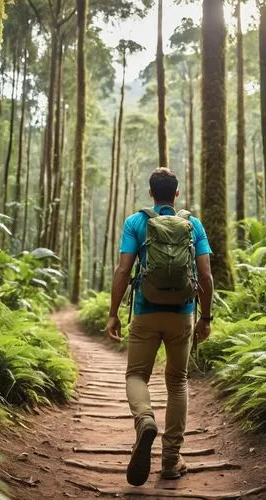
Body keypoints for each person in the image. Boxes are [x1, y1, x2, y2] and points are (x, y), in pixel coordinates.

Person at [107, 167, 214, 486]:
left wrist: (113, 312)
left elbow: (124, 270)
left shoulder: (136, 222)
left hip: (145, 312)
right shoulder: (193, 224)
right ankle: (170, 461)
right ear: (176, 194)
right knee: (178, 382)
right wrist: (206, 317)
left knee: (137, 374)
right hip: (182, 315)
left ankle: (144, 421)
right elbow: (206, 276)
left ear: (151, 193)